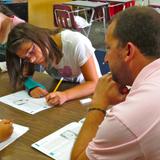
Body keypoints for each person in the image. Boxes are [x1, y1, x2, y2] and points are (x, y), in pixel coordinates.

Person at [71, 6, 160, 160]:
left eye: (108, 48)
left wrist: (98, 104)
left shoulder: (128, 117)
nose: (105, 59)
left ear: (128, 51)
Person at [6, 23, 102, 106]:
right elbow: (23, 74)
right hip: (63, 89)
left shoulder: (75, 43)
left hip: (89, 95)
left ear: (39, 38)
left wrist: (65, 95)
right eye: (25, 58)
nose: (31, 60)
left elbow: (94, 83)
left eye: (31, 51)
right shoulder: (32, 52)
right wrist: (32, 86)